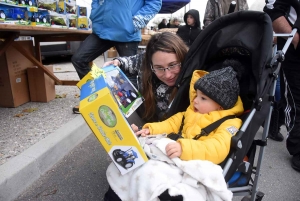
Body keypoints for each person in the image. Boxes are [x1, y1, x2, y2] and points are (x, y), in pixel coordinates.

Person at [132, 61, 244, 163]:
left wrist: (184, 148)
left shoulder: (230, 123)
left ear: (220, 107)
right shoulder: (189, 113)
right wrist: (150, 130)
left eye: (203, 98)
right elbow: (170, 124)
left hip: (199, 160)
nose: (195, 100)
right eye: (196, 95)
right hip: (176, 153)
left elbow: (217, 148)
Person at [71, 0, 162, 113]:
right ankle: (96, 99)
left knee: (131, 73)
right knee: (79, 59)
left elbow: (155, 2)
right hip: (101, 29)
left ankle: (133, 112)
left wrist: (135, 22)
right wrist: (95, 13)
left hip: (126, 31)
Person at [103, 32, 189, 122]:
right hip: (146, 119)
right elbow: (130, 62)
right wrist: (117, 62)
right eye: (159, 67)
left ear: (182, 59)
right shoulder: (145, 61)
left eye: (173, 65)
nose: (168, 75)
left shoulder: (194, 80)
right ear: (150, 64)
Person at [264, 0, 300, 172]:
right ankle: (296, 145)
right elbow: (272, 8)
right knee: (289, 96)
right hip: (292, 48)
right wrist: (294, 38)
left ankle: (273, 124)